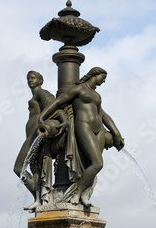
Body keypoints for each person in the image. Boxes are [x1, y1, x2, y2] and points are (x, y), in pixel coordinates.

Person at [39, 67, 124, 206]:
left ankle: (85, 194)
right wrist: (42, 117)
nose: (104, 81)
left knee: (91, 165)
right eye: (103, 77)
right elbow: (58, 102)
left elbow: (103, 114)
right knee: (98, 163)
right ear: (95, 75)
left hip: (99, 130)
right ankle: (77, 193)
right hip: (84, 127)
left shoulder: (96, 95)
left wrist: (116, 132)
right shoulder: (78, 89)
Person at [13, 71, 54, 206]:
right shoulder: (35, 95)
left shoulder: (41, 93)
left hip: (35, 135)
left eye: (33, 78)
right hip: (32, 135)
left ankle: (40, 197)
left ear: (40, 81)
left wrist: (42, 122)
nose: (30, 80)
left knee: (19, 167)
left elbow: (52, 103)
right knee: (35, 169)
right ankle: (38, 198)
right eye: (28, 78)